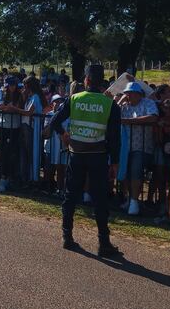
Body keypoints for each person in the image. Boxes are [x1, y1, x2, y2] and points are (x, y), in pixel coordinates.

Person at [48, 64, 121, 257]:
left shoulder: (74, 99)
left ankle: (67, 237)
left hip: (77, 155)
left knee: (70, 196)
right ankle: (103, 243)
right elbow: (115, 137)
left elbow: (54, 121)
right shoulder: (110, 105)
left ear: (86, 81)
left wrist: (64, 134)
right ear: (102, 82)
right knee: (100, 199)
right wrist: (115, 162)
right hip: (98, 156)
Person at [119, 82, 159, 216]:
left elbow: (153, 117)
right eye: (127, 93)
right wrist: (119, 101)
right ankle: (130, 199)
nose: (128, 96)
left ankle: (135, 202)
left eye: (130, 93)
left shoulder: (147, 103)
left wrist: (130, 121)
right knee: (126, 172)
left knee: (136, 171)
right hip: (125, 147)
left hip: (142, 146)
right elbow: (114, 116)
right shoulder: (124, 106)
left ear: (138, 94)